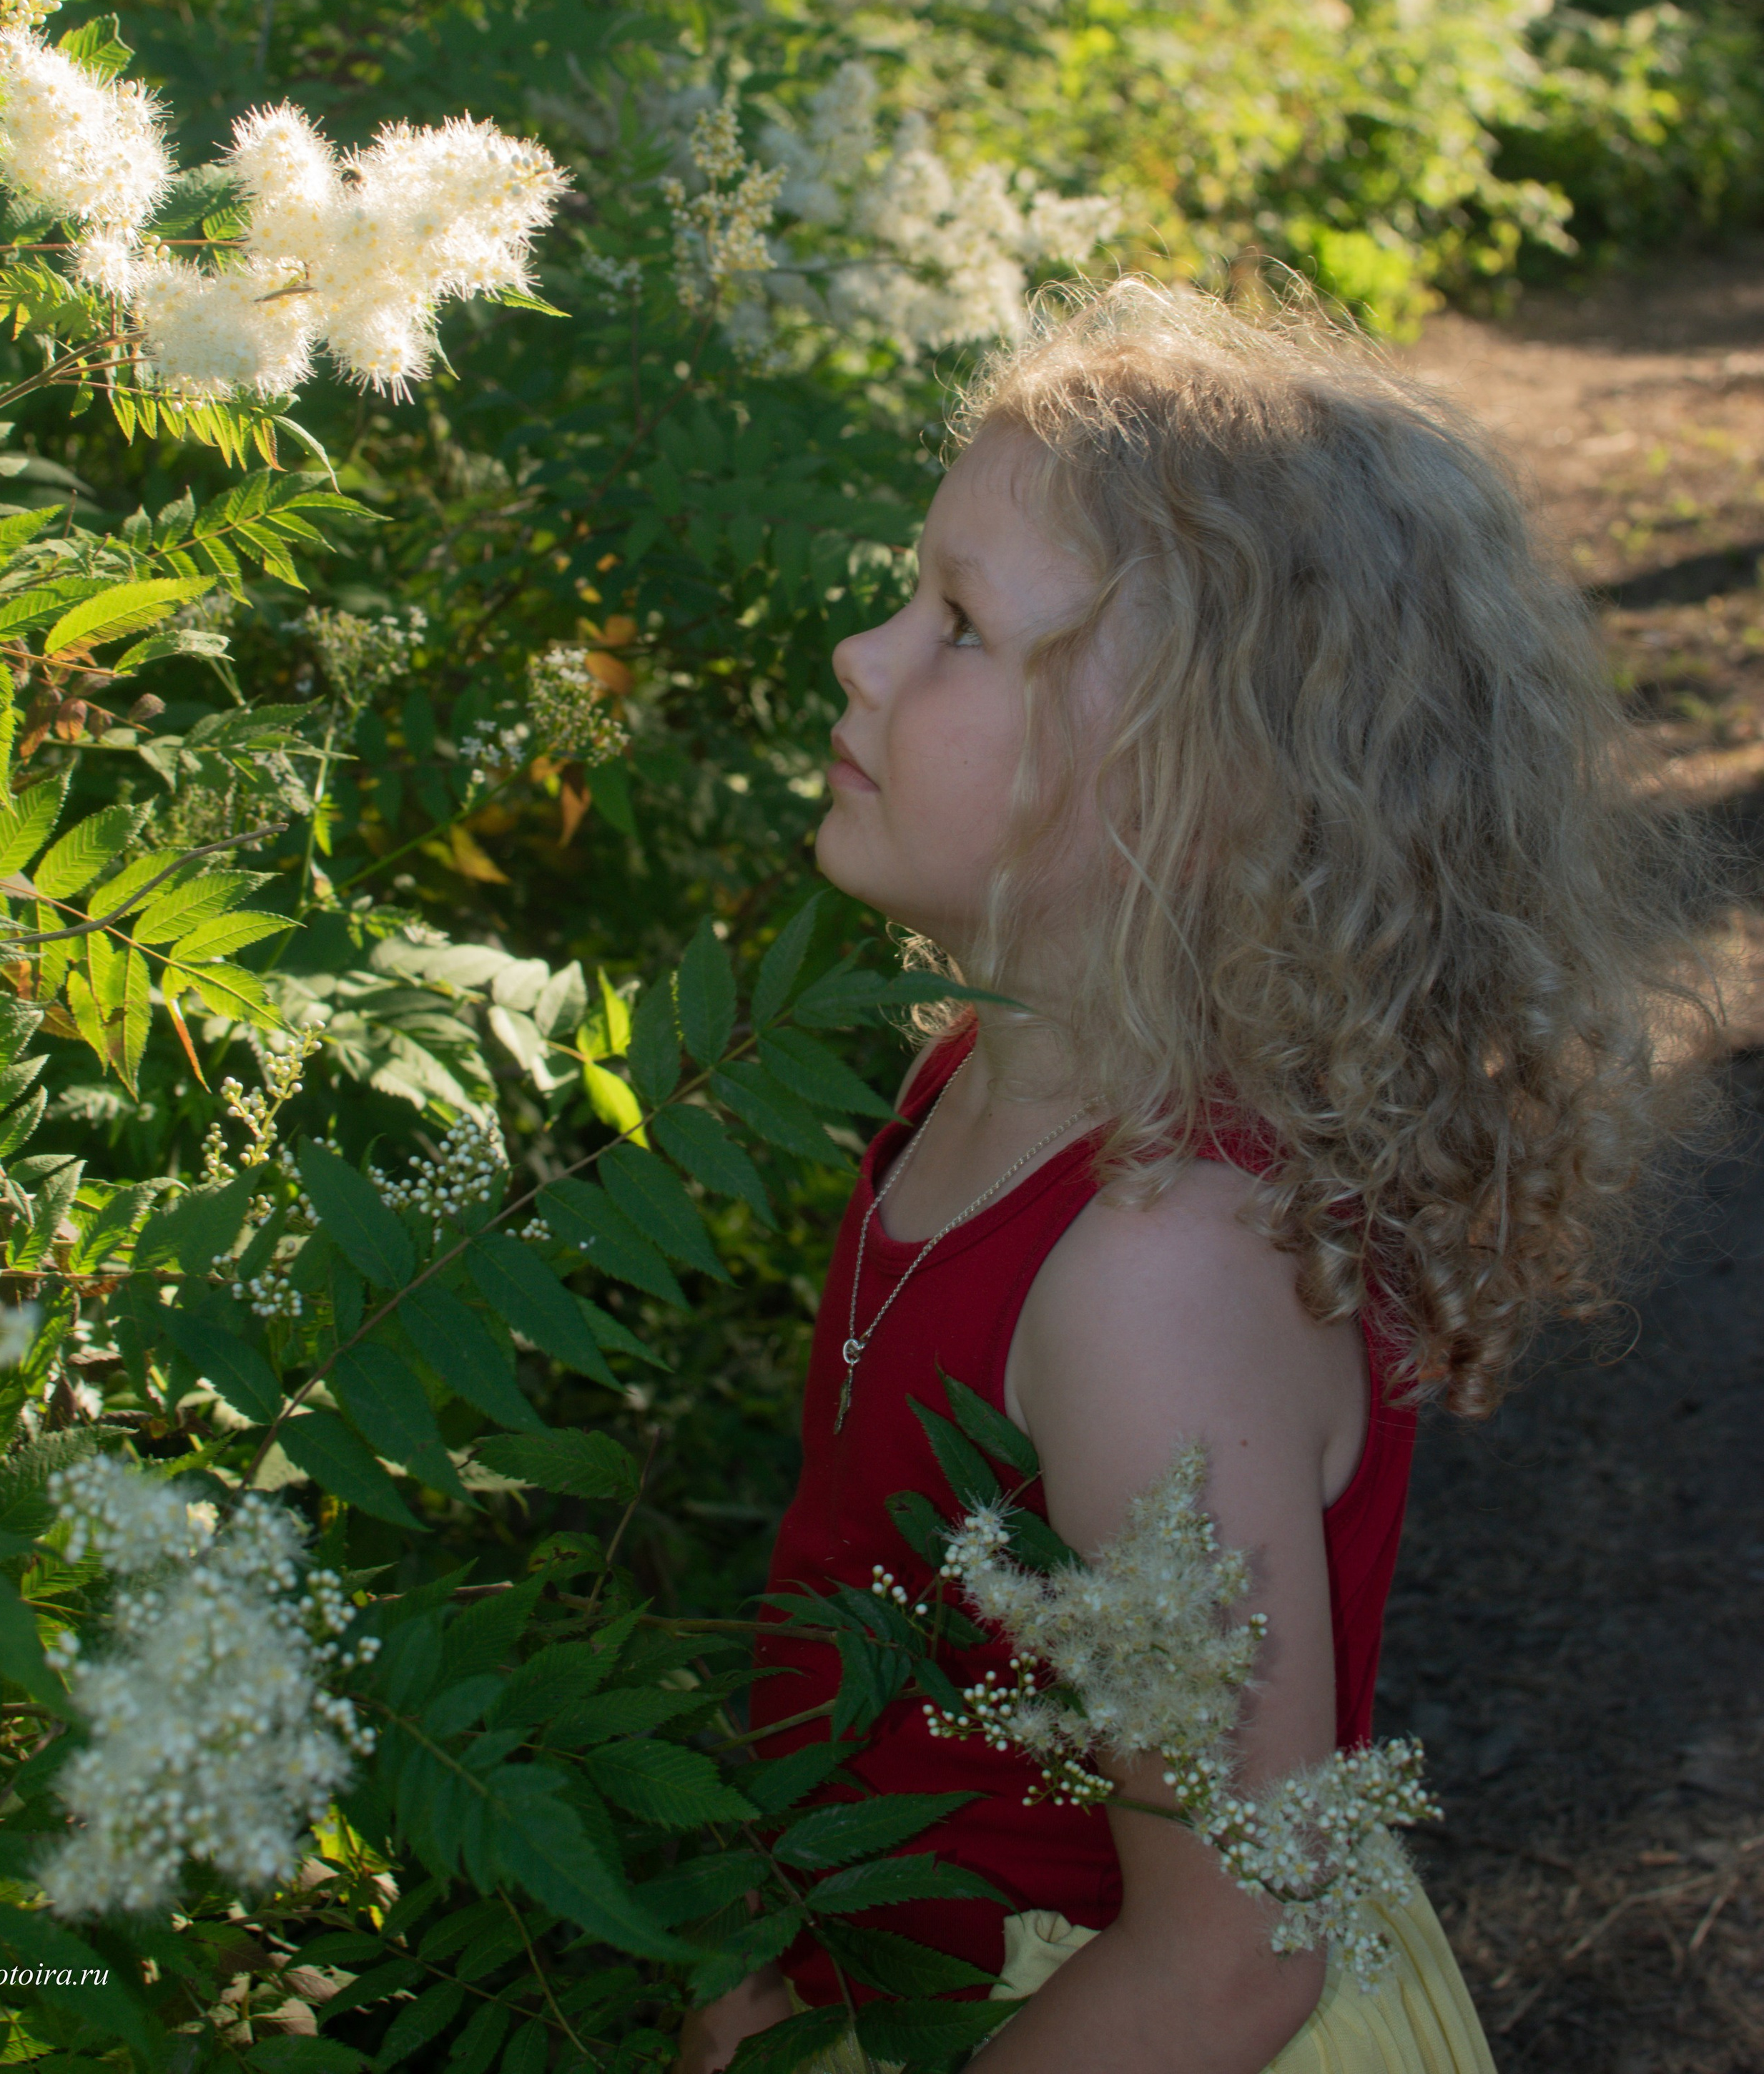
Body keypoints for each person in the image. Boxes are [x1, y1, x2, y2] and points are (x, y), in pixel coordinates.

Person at [679, 281, 1704, 2074]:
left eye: (958, 628)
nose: (860, 653)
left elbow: (1229, 1960)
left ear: (1184, 789)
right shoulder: (971, 1079)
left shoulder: (1154, 1280)